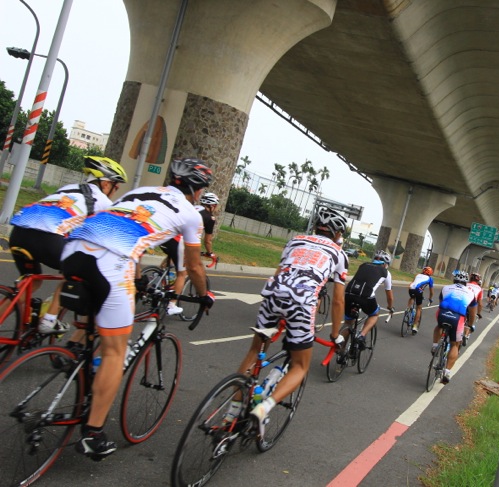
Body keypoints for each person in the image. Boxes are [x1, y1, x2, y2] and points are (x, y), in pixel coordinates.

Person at [60, 157, 216, 460]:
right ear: (197, 190)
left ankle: (79, 360)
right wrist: (204, 294)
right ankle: (93, 433)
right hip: (110, 264)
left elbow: (126, 233)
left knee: (98, 326)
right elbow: (194, 266)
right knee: (115, 352)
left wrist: (138, 280)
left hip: (74, 249)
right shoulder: (190, 213)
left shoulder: (139, 192)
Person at [230, 206, 349, 432]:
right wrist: (335, 335)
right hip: (303, 300)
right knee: (300, 366)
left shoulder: (295, 241)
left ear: (315, 227)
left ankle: (232, 411)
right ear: (337, 234)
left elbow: (280, 272)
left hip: (273, 293)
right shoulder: (339, 254)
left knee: (255, 351)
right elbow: (338, 301)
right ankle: (263, 409)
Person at [7, 156, 127, 334]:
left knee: (31, 280)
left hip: (18, 233)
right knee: (75, 268)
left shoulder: (67, 188)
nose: (115, 191)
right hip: (46, 238)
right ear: (106, 184)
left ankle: (7, 310)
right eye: (116, 187)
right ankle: (49, 320)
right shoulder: (103, 201)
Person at [342, 250, 395, 351]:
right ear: (385, 264)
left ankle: (340, 351)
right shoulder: (386, 272)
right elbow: (389, 296)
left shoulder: (363, 265)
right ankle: (361, 336)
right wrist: (390, 307)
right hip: (366, 296)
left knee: (348, 323)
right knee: (374, 314)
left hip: (349, 293)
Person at [431, 270, 477, 384]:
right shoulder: (471, 293)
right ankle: (446, 372)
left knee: (439, 325)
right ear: (466, 282)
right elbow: (472, 313)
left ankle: (435, 346)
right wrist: (470, 325)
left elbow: (441, 301)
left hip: (443, 313)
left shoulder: (446, 287)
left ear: (454, 279)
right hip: (458, 318)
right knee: (455, 344)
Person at [407, 266, 434, 335]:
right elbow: (431, 292)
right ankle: (415, 326)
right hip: (418, 291)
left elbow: (413, 282)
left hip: (411, 288)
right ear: (430, 273)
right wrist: (430, 299)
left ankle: (408, 309)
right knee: (419, 308)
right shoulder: (430, 279)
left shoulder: (417, 275)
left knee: (412, 297)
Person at [463, 272, 484, 344]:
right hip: (471, 306)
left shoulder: (465, 284)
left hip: (461, 304)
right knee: (470, 323)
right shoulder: (479, 289)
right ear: (478, 280)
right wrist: (479, 313)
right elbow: (480, 304)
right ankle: (466, 335)